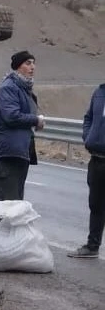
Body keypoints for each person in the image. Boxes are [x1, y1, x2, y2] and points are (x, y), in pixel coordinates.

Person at [0, 51, 44, 233]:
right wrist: (35, 120)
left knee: (14, 206)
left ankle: (8, 251)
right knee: (4, 207)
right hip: (8, 154)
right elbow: (11, 116)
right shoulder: (9, 88)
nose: (32, 67)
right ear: (18, 66)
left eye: (33, 63)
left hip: (18, 154)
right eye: (28, 63)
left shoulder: (22, 89)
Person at [68, 84, 105, 258]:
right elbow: (88, 117)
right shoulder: (99, 92)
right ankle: (92, 246)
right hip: (97, 158)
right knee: (96, 205)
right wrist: (87, 136)